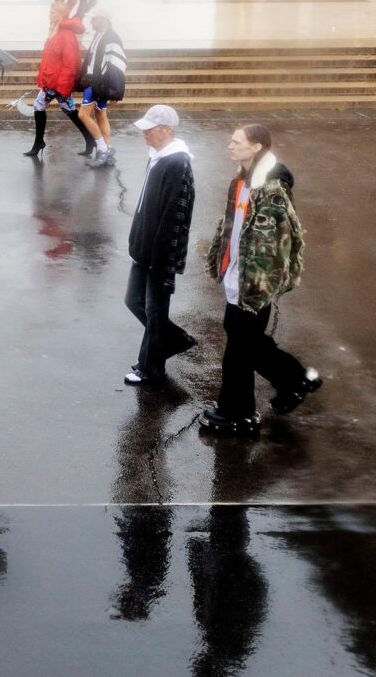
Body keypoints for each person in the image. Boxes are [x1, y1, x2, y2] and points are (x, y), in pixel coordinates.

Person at [200, 125, 321, 434]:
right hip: (236, 275)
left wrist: (255, 287)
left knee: (238, 350)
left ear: (256, 147)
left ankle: (238, 414)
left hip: (253, 284)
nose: (230, 146)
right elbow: (232, 227)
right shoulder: (240, 181)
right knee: (245, 341)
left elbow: (274, 247)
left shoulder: (271, 191)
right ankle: (296, 380)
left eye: (237, 142)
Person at [123, 104, 196, 387]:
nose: (145, 135)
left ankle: (151, 368)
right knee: (135, 302)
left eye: (149, 130)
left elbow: (175, 215)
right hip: (144, 249)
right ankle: (173, 341)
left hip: (158, 253)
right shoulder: (157, 157)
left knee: (155, 310)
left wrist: (162, 254)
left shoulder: (177, 163)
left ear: (166, 130)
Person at [24, 3, 95, 158]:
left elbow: (71, 63)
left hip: (58, 83)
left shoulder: (65, 35)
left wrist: (63, 86)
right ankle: (39, 142)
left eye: (52, 12)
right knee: (43, 106)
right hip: (51, 81)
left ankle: (90, 139)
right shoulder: (56, 31)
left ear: (60, 14)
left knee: (65, 110)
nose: (49, 14)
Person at [81, 10, 127, 168]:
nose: (91, 22)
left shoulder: (112, 38)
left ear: (104, 19)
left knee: (83, 115)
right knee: (101, 115)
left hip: (98, 83)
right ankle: (107, 149)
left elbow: (117, 66)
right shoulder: (100, 34)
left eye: (94, 19)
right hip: (94, 81)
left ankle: (101, 149)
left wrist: (114, 90)